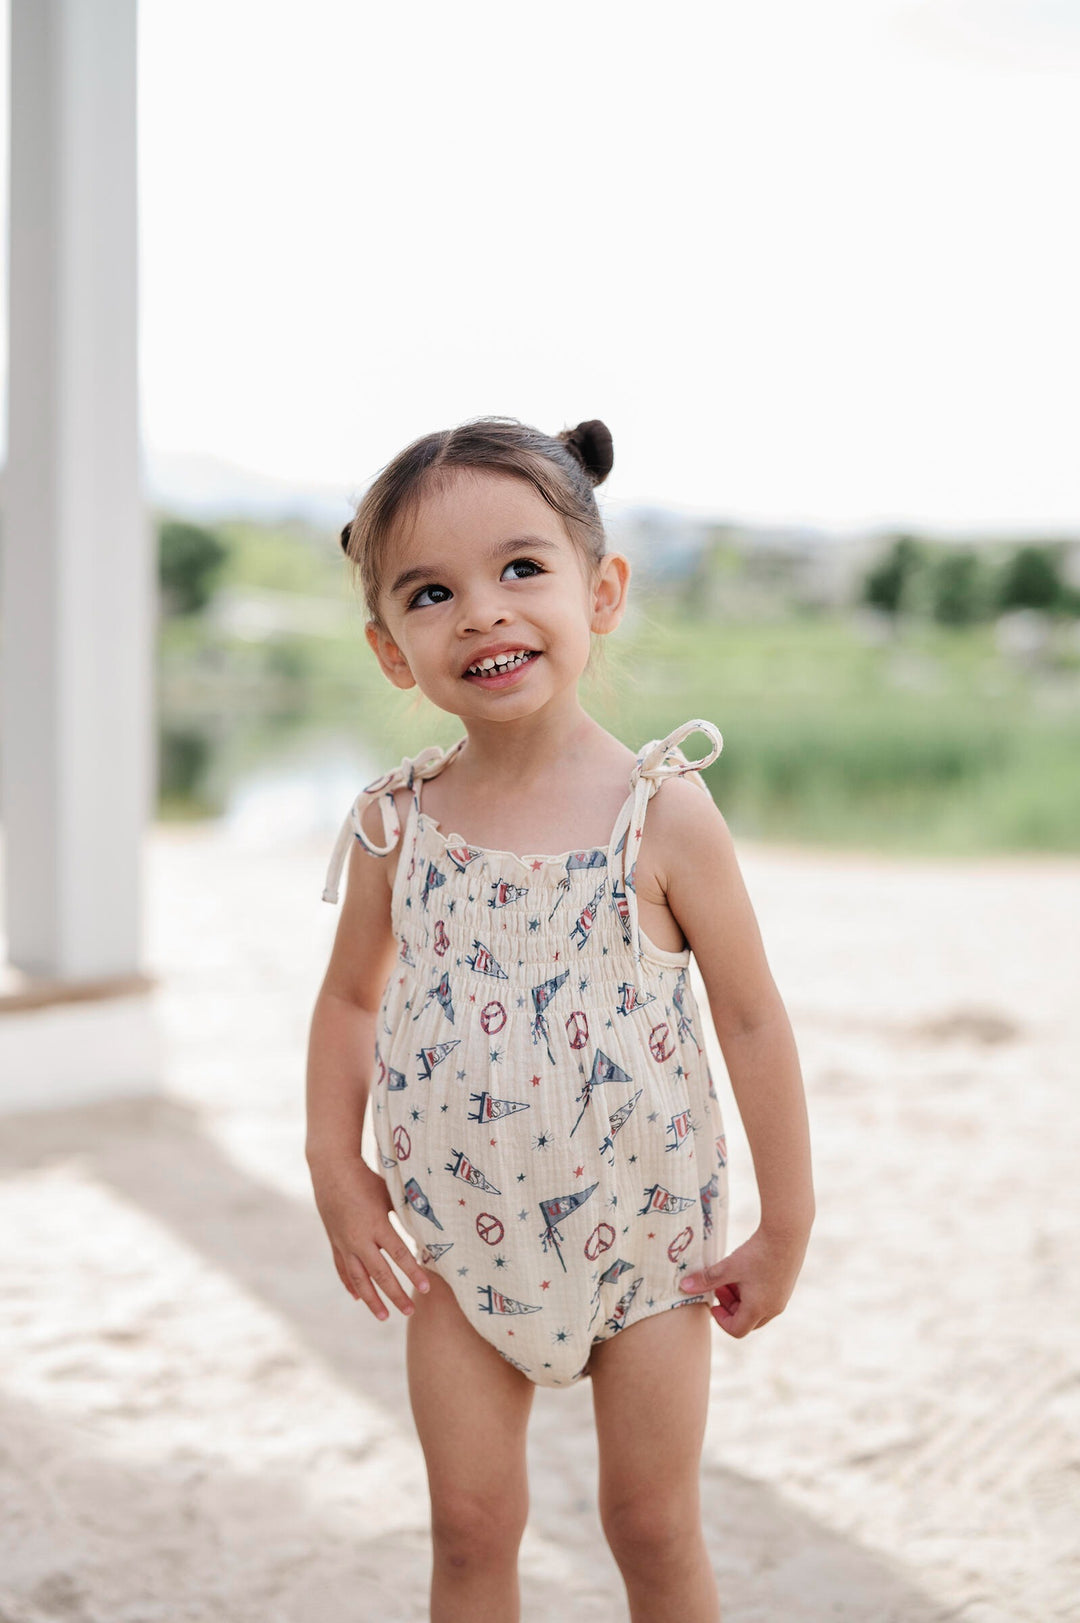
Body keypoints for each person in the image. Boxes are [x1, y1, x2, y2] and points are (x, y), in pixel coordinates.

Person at [306, 416, 814, 1623]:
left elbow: (749, 1018)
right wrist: (336, 1159)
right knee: (471, 1532)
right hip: (460, 1250)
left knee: (652, 1527)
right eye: (432, 593)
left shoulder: (664, 815)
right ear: (392, 650)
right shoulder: (399, 824)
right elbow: (348, 1000)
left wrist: (785, 1219)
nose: (481, 612)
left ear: (604, 590)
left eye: (521, 569)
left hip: (648, 1254)